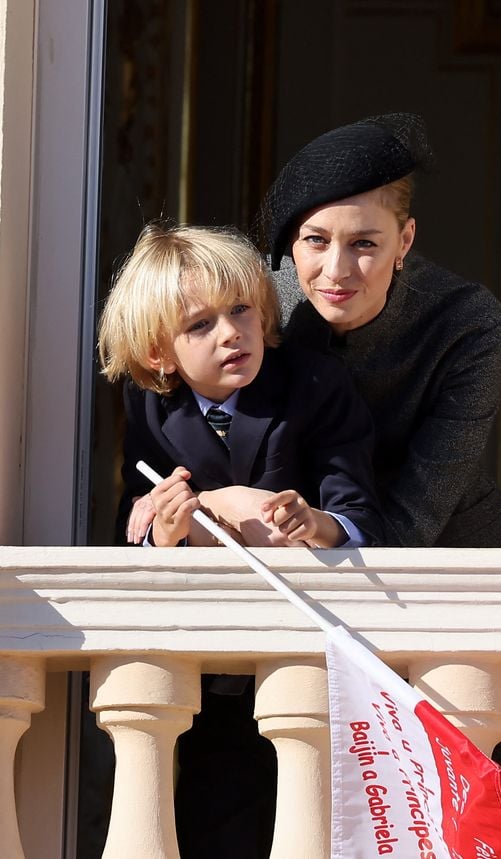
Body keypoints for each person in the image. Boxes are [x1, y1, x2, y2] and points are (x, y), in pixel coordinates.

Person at [254, 112, 501, 858]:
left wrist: (334, 544)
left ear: (405, 242)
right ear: (290, 245)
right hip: (305, 567)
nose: (336, 270)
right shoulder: (265, 310)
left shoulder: (468, 323)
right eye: (315, 242)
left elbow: (417, 508)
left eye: (365, 244)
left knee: (470, 807)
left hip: (450, 567)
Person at [98, 222, 386, 858]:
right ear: (158, 356)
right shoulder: (151, 408)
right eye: (200, 325)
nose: (231, 332)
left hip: (310, 650)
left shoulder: (312, 385)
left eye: (240, 310)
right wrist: (164, 534)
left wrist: (317, 523)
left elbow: (361, 509)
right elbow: (136, 519)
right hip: (215, 667)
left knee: (319, 820)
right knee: (216, 818)